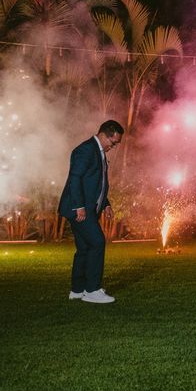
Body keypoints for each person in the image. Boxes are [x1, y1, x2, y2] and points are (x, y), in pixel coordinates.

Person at [58, 120, 124, 303]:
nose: (114, 146)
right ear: (104, 135)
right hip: (80, 210)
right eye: (113, 142)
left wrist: (106, 204)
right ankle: (92, 290)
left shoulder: (99, 152)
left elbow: (97, 183)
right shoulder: (86, 150)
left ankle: (77, 290)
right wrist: (79, 207)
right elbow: (75, 178)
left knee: (84, 248)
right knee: (97, 242)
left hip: (86, 208)